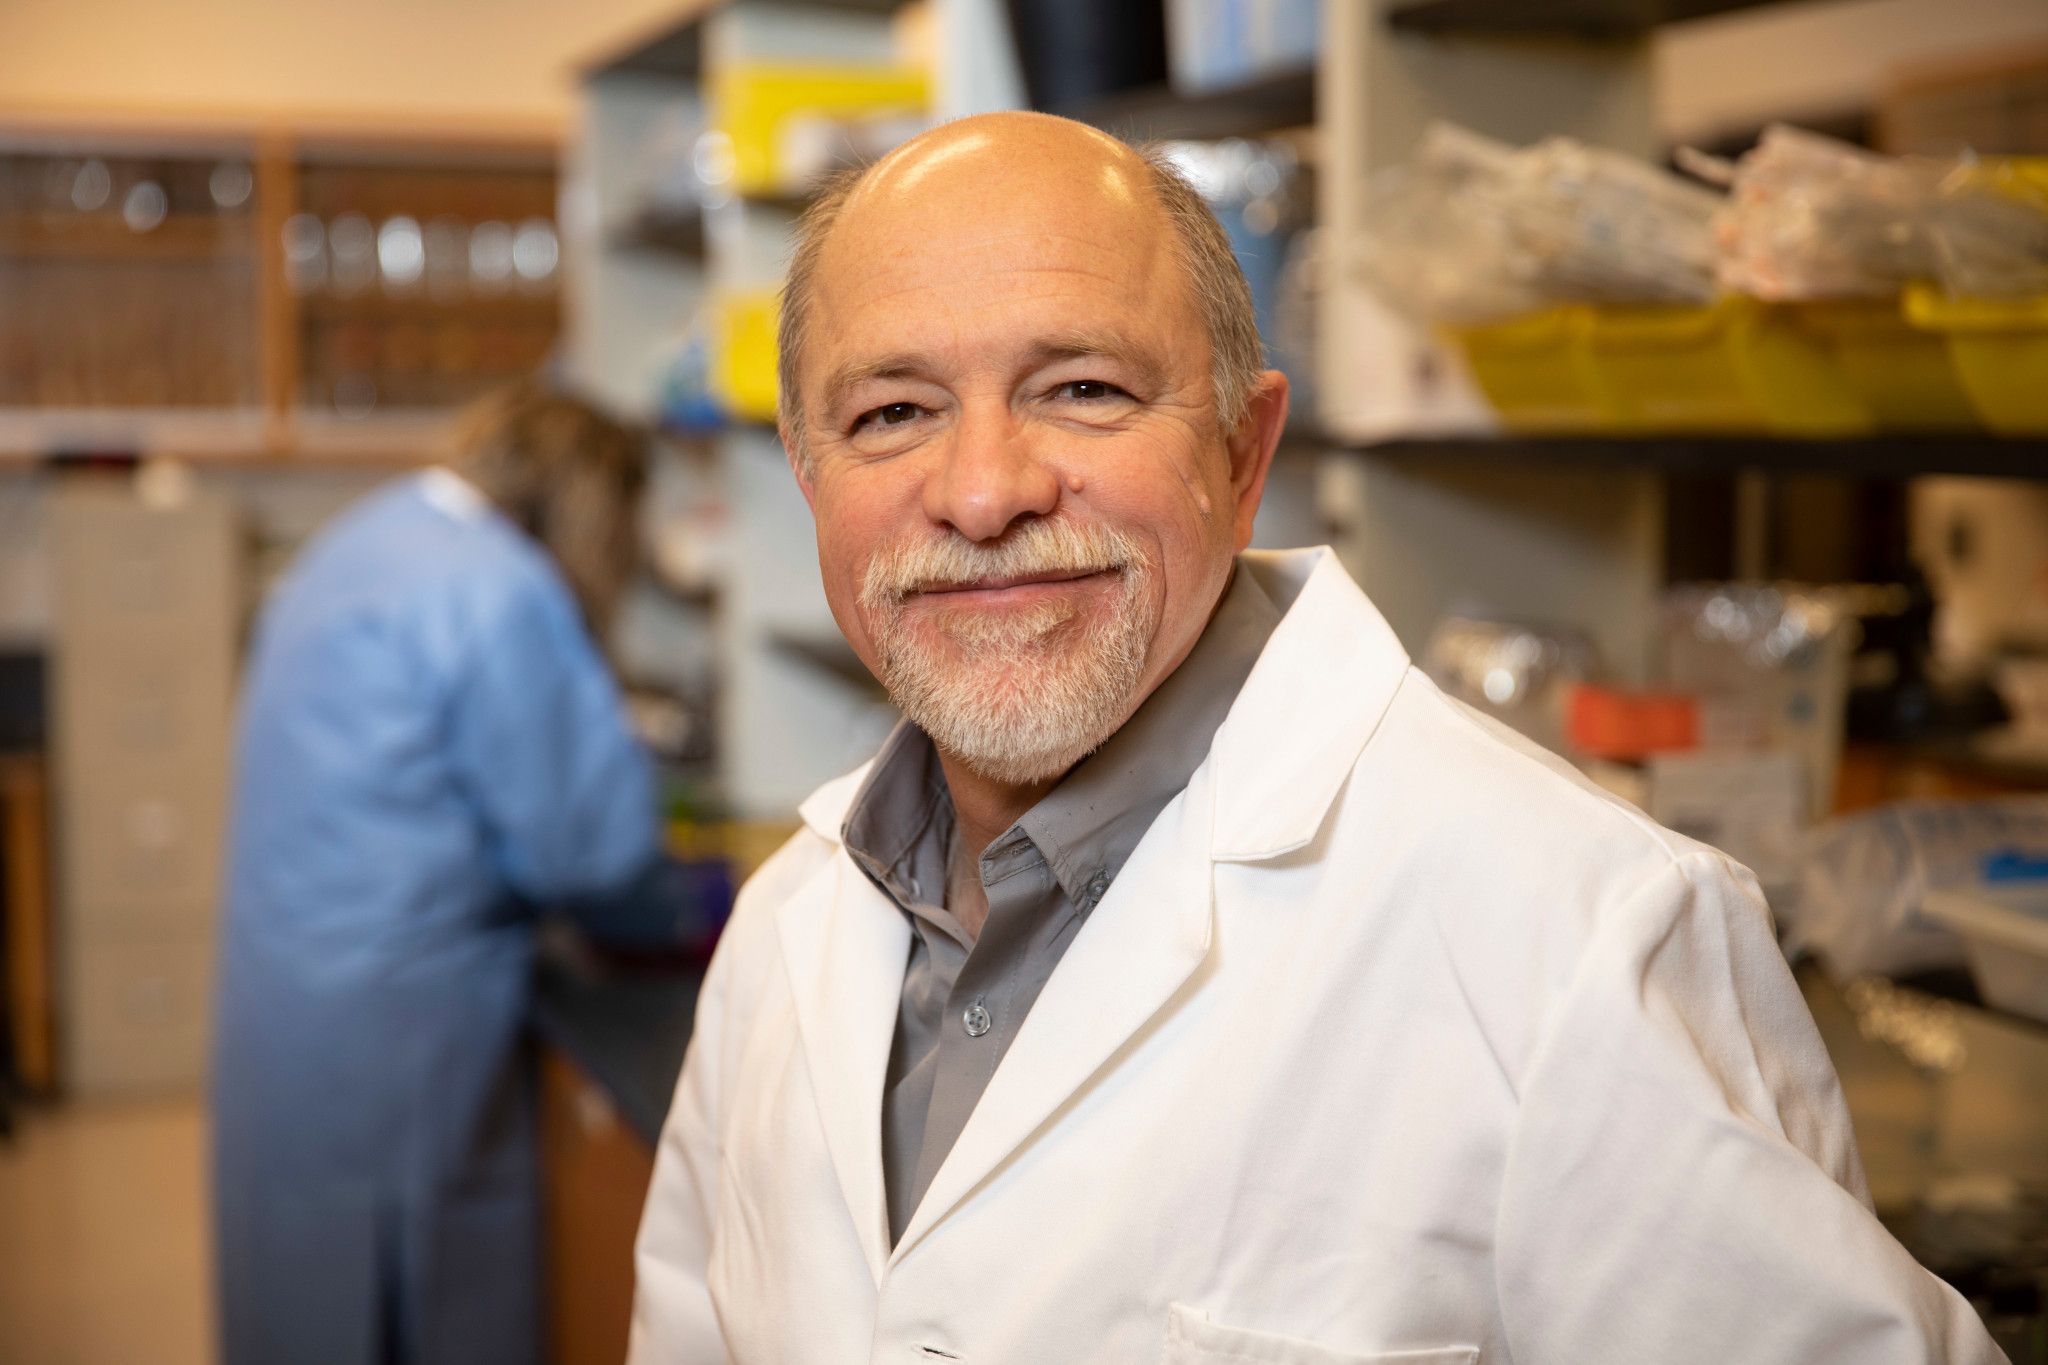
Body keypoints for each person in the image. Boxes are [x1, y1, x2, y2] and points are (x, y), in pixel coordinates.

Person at [627, 113, 2004, 1364]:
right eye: (892, 413)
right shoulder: (784, 935)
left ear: (1244, 451)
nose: (983, 491)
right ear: (809, 479)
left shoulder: (1572, 934)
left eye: (1083, 390)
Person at [212, 385, 720, 1365]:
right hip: (399, 1026)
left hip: (288, 1003)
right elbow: (592, 853)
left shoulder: (372, 534)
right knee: (410, 1297)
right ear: (587, 508)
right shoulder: (500, 588)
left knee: (307, 1291)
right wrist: (699, 908)